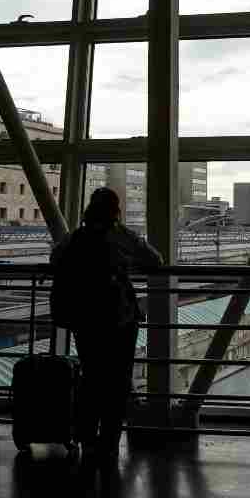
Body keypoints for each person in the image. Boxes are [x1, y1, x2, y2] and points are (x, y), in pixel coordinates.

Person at [51, 187, 164, 461]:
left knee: (91, 376)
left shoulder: (76, 237)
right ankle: (110, 441)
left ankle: (86, 437)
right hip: (119, 319)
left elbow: (55, 260)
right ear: (116, 210)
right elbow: (155, 260)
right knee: (118, 380)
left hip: (84, 318)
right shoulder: (121, 235)